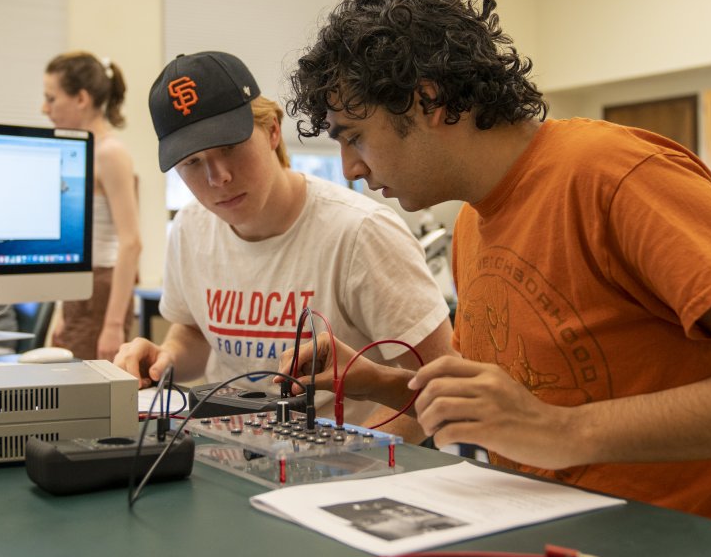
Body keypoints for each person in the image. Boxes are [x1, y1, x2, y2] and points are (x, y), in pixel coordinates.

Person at [281, 0, 711, 539]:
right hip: (563, 533)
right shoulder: (472, 223)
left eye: (355, 136)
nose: (351, 170)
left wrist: (564, 432)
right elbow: (524, 405)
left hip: (709, 544)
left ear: (429, 100)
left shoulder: (615, 176)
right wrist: (379, 382)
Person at [113, 50, 454, 434]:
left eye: (230, 147)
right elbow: (194, 333)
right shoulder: (191, 227)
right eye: (193, 162)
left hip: (341, 468)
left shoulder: (360, 233)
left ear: (272, 130)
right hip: (226, 452)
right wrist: (165, 358)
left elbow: (440, 386)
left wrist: (356, 459)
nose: (218, 176)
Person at [42, 51, 141, 361]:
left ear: (81, 98)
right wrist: (62, 309)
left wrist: (113, 325)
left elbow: (131, 242)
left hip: (101, 292)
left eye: (51, 98)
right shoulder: (81, 151)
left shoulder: (110, 153)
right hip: (79, 289)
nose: (44, 109)